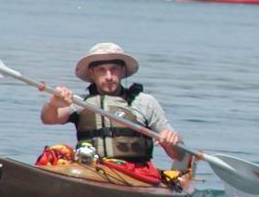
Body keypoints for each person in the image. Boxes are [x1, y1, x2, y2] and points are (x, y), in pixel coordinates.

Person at [40, 42, 186, 165]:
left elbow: (179, 155)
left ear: (122, 71)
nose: (109, 76)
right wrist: (53, 104)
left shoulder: (144, 102)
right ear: (92, 73)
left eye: (114, 69)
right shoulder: (81, 103)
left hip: (134, 173)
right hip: (92, 168)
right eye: (102, 70)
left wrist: (172, 140)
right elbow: (48, 119)